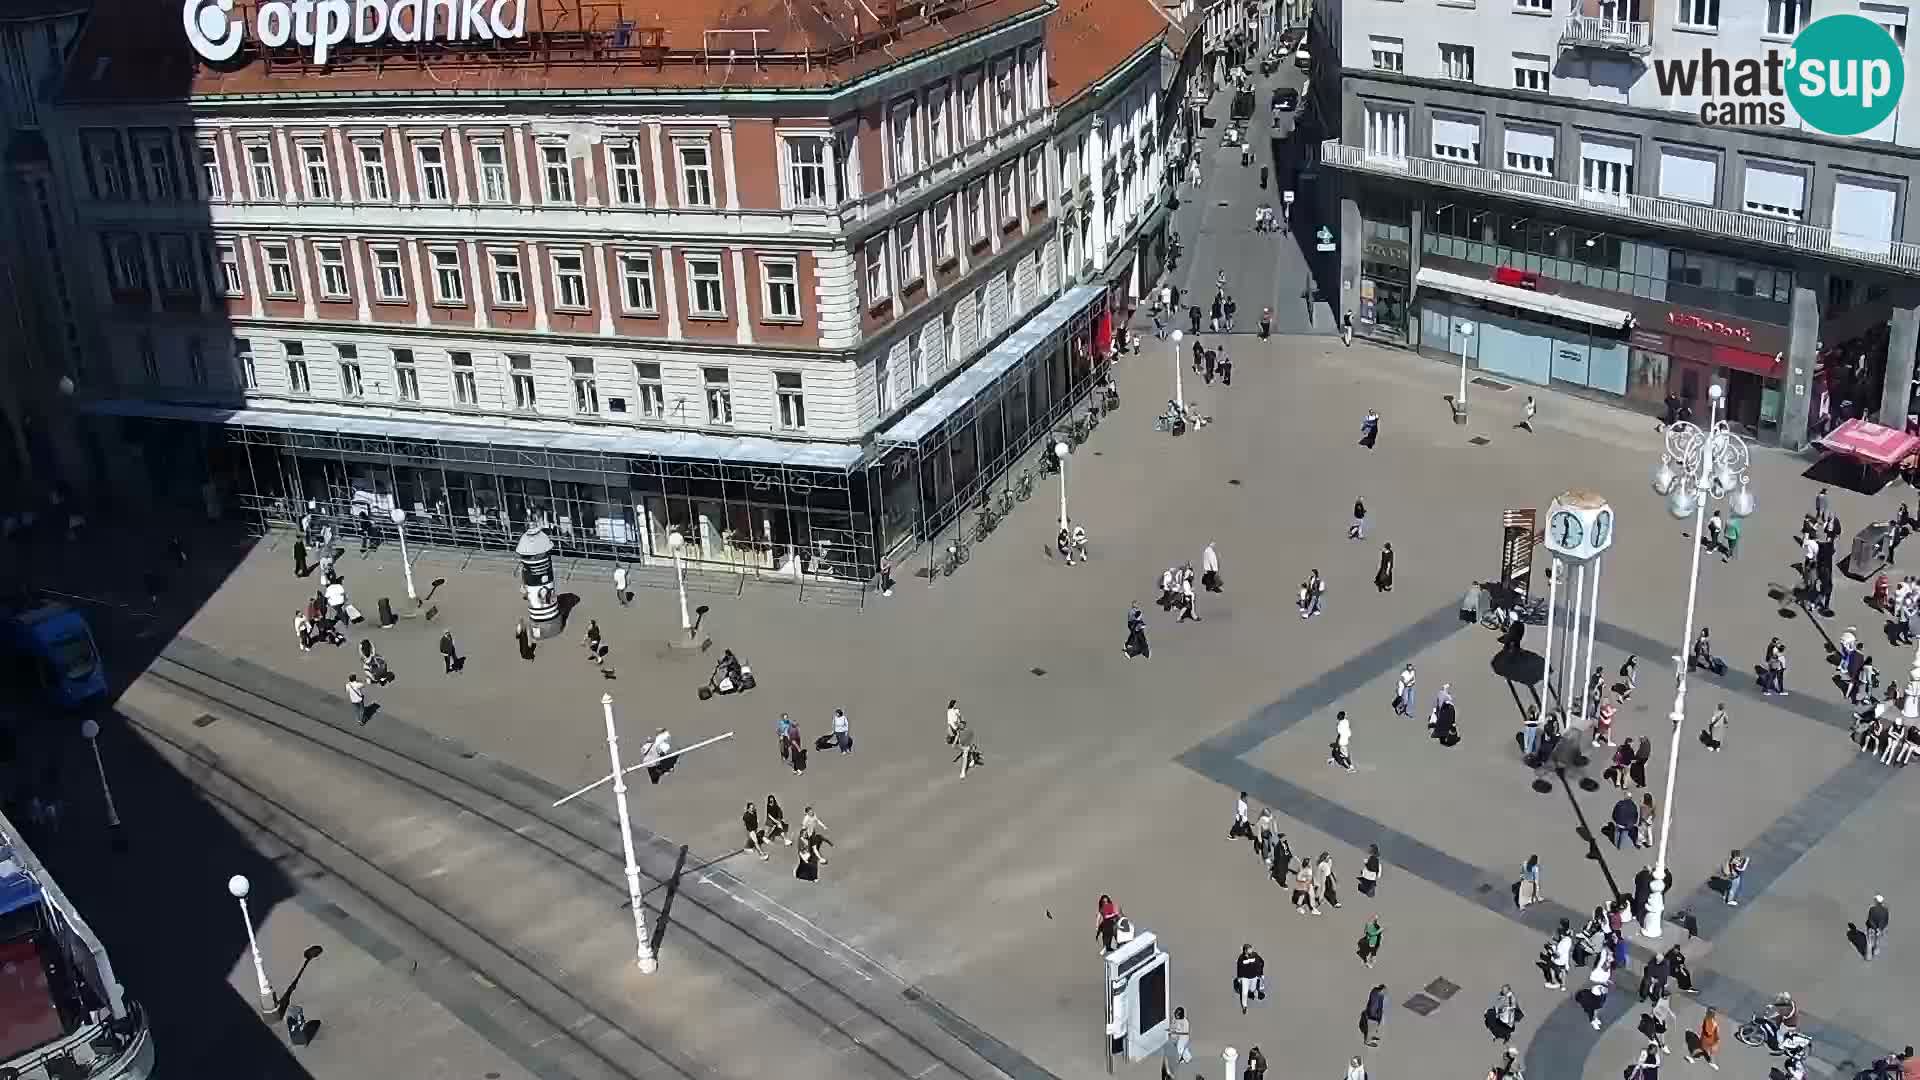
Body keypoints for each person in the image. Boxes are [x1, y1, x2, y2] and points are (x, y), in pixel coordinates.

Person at [1234, 944, 1266, 1013]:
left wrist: (1260, 973)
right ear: (1245, 950)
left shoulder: (1255, 955)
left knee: (1252, 989)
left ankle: (1254, 995)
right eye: (1249, 949)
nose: (1251, 950)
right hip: (1245, 978)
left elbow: (1261, 962)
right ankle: (1244, 1006)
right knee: (1244, 992)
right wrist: (1239, 977)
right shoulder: (1241, 958)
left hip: (1254, 977)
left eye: (1251, 949)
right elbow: (1239, 968)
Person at [1543, 920, 1573, 990]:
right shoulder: (1569, 939)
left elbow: (1557, 955)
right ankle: (1563, 985)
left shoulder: (1560, 945)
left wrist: (1551, 950)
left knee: (1551, 968)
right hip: (1565, 960)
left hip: (1558, 961)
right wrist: (1555, 940)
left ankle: (1553, 981)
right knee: (1563, 971)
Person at [1165, 1006, 1192, 1075]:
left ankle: (1178, 1060)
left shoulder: (1185, 1022)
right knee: (1179, 1047)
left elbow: (1185, 1032)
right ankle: (1187, 1057)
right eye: (1176, 1014)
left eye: (1178, 1015)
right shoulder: (1174, 1020)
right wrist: (1170, 1030)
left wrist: (1175, 1032)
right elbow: (1172, 1027)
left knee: (1180, 1048)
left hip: (1183, 1037)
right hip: (1176, 1036)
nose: (1176, 1016)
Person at [1866, 894, 1891, 960]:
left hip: (1871, 927)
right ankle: (1875, 950)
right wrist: (1880, 929)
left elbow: (1870, 919)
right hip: (1879, 929)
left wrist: (1874, 928)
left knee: (1869, 942)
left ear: (1876, 901)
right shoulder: (1885, 910)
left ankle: (1869, 956)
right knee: (1877, 939)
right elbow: (1885, 921)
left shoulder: (1872, 909)